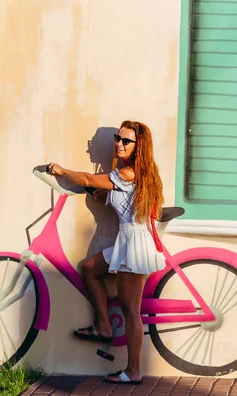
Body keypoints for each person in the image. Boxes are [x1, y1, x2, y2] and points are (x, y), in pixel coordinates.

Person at [48, 120, 165, 385]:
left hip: (134, 242)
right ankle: (103, 326)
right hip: (126, 239)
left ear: (139, 147)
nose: (119, 144)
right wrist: (105, 197)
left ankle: (134, 371)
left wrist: (62, 170)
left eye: (126, 141)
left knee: (131, 310)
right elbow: (125, 200)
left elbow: (89, 179)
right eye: (118, 138)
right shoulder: (130, 174)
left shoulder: (128, 174)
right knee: (89, 268)